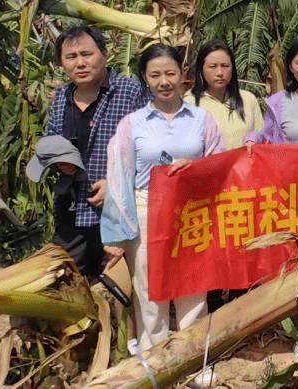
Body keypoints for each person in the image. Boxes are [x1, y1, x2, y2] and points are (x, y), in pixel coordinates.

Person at [103, 44, 223, 351]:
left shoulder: (202, 119)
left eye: (170, 73)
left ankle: (193, 358)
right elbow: (119, 176)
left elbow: (220, 164)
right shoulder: (132, 124)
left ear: (183, 74)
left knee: (192, 288)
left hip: (192, 209)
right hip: (147, 209)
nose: (164, 81)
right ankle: (153, 359)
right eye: (155, 75)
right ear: (145, 78)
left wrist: (195, 168)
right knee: (149, 289)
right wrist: (117, 233)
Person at [42, 25, 150, 280]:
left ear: (104, 54)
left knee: (117, 289)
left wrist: (116, 186)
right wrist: (58, 162)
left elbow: (151, 151)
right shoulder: (62, 96)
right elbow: (49, 140)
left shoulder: (132, 93)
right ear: (61, 63)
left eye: (86, 54)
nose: (80, 63)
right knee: (66, 283)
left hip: (118, 217)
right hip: (71, 212)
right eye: (71, 57)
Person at [190, 39, 263, 151]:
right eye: (213, 66)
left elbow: (263, 139)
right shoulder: (189, 104)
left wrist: (254, 142)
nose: (220, 73)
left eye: (225, 66)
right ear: (201, 69)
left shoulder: (248, 99)